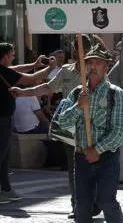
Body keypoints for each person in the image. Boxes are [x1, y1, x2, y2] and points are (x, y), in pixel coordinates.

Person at [10, 35, 98, 217]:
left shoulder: (96, 71)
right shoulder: (66, 71)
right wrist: (23, 93)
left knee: (92, 167)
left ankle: (93, 202)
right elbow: (47, 88)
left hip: (93, 126)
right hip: (70, 125)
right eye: (76, 48)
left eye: (83, 49)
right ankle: (77, 206)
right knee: (74, 168)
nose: (78, 52)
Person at [57, 44, 123, 223]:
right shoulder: (76, 94)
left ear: (106, 67)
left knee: (106, 201)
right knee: (82, 206)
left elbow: (120, 132)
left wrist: (97, 149)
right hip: (81, 158)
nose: (93, 66)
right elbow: (63, 122)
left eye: (98, 62)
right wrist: (79, 106)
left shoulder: (116, 94)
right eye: (90, 62)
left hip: (107, 157)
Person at [0, 43, 55, 204]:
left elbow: (17, 69)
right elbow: (34, 79)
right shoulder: (1, 72)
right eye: (12, 55)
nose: (14, 58)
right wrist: (50, 68)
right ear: (6, 56)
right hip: (0, 118)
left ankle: (6, 189)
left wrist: (34, 65)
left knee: (4, 155)